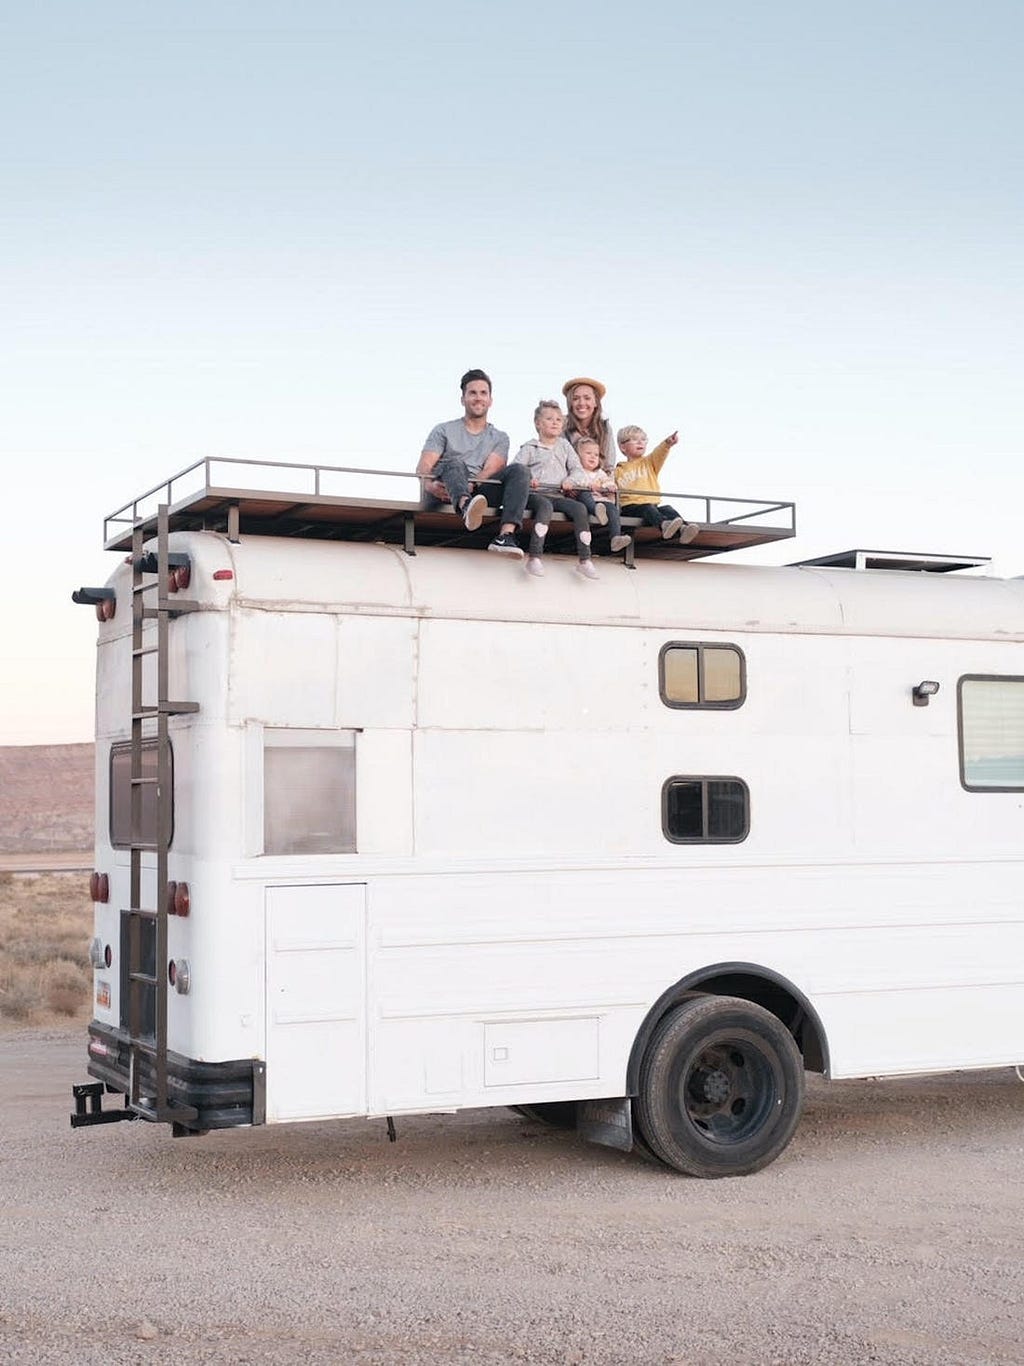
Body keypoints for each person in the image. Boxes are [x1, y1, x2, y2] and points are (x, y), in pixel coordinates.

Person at [417, 369, 529, 556]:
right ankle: (464, 504)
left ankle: (505, 536)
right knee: (455, 463)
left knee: (520, 470)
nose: (478, 398)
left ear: (490, 400)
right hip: (443, 489)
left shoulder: (500, 437)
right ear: (463, 399)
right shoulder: (443, 430)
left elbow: (492, 469)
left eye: (483, 393)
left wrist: (470, 485)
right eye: (472, 393)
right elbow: (424, 466)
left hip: (477, 491)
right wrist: (429, 486)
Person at [512, 400, 600, 579]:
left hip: (557, 493)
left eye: (559, 420)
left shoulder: (565, 447)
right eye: (549, 419)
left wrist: (570, 480)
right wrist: (529, 479)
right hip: (536, 494)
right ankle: (535, 556)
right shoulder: (530, 447)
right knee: (545, 507)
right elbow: (516, 469)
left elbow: (577, 468)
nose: (554, 422)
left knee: (580, 508)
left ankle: (585, 559)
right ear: (538, 423)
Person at [614, 426, 699, 543]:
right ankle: (664, 525)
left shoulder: (649, 463)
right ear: (623, 447)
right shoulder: (618, 470)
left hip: (652, 505)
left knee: (668, 509)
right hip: (630, 507)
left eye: (643, 439)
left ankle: (684, 528)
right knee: (647, 508)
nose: (640, 442)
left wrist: (667, 443)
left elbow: (659, 453)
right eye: (634, 439)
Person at [562, 436, 632, 555]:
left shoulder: (600, 473)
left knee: (612, 509)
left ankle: (615, 537)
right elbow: (571, 482)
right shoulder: (576, 472)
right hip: (584, 500)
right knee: (584, 494)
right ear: (577, 457)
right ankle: (596, 510)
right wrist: (588, 485)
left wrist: (609, 486)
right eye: (588, 453)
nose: (593, 457)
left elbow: (608, 481)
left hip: (600, 500)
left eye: (596, 454)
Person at [562, 377, 616, 474]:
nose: (581, 403)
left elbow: (609, 466)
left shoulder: (605, 428)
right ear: (570, 403)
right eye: (575, 398)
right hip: (566, 484)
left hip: (597, 484)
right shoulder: (561, 425)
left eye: (587, 398)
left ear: (595, 402)